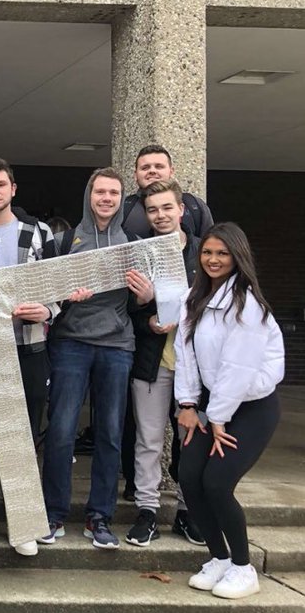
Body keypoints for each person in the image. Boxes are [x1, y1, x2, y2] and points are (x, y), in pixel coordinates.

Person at [39, 167, 152, 549]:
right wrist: (66, 294)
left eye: (113, 193)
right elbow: (46, 294)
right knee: (60, 431)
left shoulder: (134, 242)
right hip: (70, 342)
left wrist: (145, 295)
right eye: (99, 192)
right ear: (89, 195)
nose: (106, 198)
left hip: (117, 346)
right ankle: (53, 513)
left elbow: (144, 302)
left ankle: (99, 517)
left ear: (122, 199)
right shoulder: (66, 240)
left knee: (110, 434)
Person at [175, 224, 284, 599]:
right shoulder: (195, 298)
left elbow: (239, 369)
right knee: (188, 476)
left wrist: (217, 417)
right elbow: (185, 355)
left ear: (237, 256)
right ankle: (219, 558)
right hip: (213, 406)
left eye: (222, 253)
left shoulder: (246, 303)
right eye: (207, 252)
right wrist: (188, 405)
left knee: (218, 483)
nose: (213, 260)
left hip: (251, 408)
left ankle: (243, 566)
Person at [0, 157, 57, 557]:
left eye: (1, 184)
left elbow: (57, 283)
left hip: (31, 348)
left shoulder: (40, 232)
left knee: (25, 437)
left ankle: (23, 524)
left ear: (13, 188)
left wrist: (49, 310)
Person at [125, 179, 203, 546]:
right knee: (149, 440)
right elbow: (125, 312)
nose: (160, 215)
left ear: (181, 209)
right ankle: (147, 512)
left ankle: (189, 512)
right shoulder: (140, 255)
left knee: (191, 439)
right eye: (152, 209)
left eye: (166, 207)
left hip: (197, 366)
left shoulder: (206, 254)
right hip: (153, 361)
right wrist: (148, 317)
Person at [120, 144, 214, 242]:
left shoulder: (194, 205)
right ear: (135, 175)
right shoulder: (123, 208)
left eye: (159, 166)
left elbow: (210, 247)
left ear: (171, 171)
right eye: (145, 168)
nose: (152, 171)